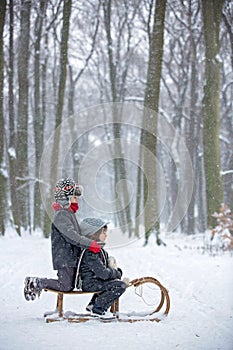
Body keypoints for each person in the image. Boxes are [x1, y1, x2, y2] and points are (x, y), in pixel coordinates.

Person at [24, 177, 101, 301]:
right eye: (74, 198)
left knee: (69, 285)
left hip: (70, 257)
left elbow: (77, 232)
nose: (77, 201)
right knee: (65, 286)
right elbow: (72, 236)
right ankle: (36, 283)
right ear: (66, 199)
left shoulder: (68, 214)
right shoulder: (62, 215)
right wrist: (89, 244)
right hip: (65, 257)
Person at [78, 217, 126, 318]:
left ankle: (92, 304)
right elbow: (103, 274)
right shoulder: (90, 252)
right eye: (103, 232)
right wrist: (117, 273)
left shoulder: (99, 250)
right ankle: (99, 308)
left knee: (113, 283)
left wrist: (114, 270)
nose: (106, 235)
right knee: (120, 285)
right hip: (90, 283)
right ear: (94, 235)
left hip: (96, 281)